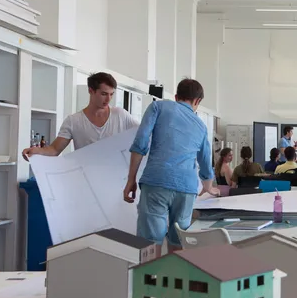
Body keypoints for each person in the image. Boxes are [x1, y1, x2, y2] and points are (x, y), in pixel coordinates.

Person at [123, 79, 218, 254]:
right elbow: (205, 162)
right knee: (178, 242)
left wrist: (131, 179)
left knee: (150, 243)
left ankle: (150, 279)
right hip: (186, 188)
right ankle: (174, 278)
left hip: (156, 182)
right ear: (197, 101)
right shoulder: (201, 126)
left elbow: (140, 144)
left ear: (176, 97)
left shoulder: (158, 107)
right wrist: (208, 187)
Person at [23, 72, 138, 159]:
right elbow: (54, 149)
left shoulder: (120, 115)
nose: (108, 99)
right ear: (91, 91)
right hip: (85, 180)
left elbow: (144, 134)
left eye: (111, 94)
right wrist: (36, 151)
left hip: (116, 180)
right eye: (104, 94)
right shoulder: (73, 121)